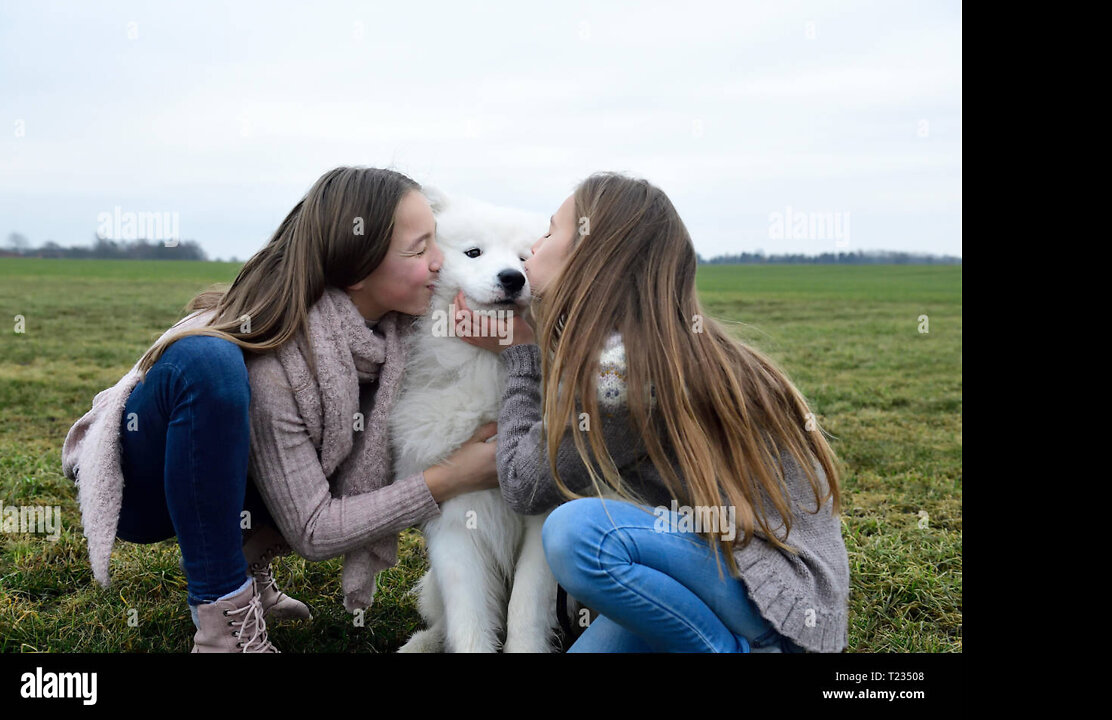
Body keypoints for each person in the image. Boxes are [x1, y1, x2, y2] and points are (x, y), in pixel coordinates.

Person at [62, 166, 500, 653]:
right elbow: (313, 527)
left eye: (435, 242)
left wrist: (505, 344)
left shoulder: (392, 335)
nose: (441, 261)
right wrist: (450, 477)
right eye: (420, 250)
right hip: (145, 491)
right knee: (208, 362)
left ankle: (243, 563)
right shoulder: (280, 359)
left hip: (224, 476)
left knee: (310, 434)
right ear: (356, 269)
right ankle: (222, 627)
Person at [448, 171, 851, 652]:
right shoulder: (652, 347)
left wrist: (520, 354)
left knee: (577, 533)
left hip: (767, 603)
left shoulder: (627, 377)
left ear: (590, 257)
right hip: (719, 584)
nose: (535, 245)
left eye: (552, 231)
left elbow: (523, 483)